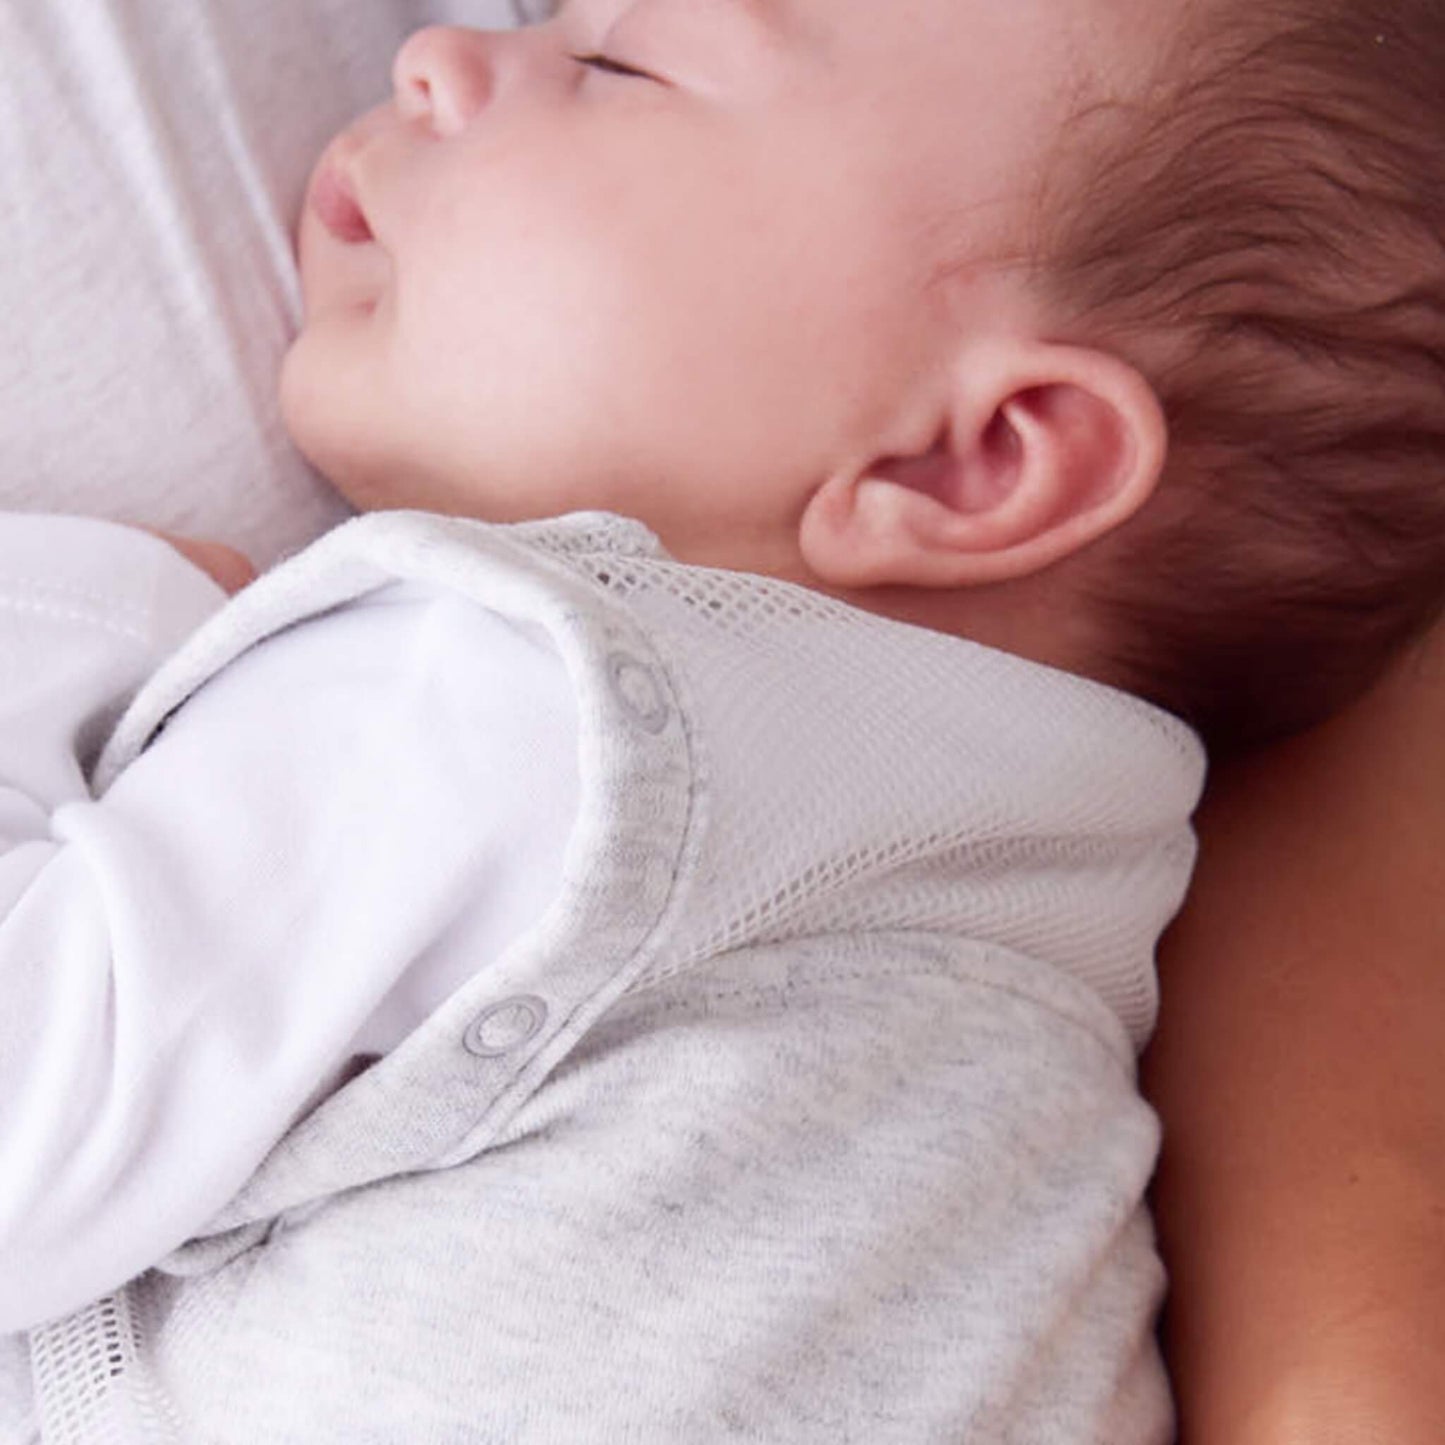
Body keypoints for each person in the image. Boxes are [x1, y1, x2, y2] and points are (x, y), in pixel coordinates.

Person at [1, 1, 1441, 1441]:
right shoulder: (1064, 887)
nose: (437, 57)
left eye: (615, 66)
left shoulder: (546, 706)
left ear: (973, 459)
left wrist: (88, 618)